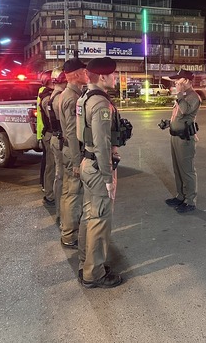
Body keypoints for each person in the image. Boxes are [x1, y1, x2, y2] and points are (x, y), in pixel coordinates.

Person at [76, 56, 131, 288]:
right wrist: (108, 177)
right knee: (99, 220)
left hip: (88, 163)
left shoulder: (85, 97)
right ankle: (94, 273)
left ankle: (86, 262)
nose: (115, 77)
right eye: (113, 74)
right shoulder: (100, 104)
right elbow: (101, 143)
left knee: (89, 216)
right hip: (99, 168)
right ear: (102, 76)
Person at [57, 57, 89, 249]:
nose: (87, 74)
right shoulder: (72, 98)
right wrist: (77, 162)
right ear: (77, 75)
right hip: (73, 151)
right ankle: (69, 235)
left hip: (69, 150)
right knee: (74, 195)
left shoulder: (69, 94)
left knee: (68, 192)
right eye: (84, 72)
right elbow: (71, 131)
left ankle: (66, 229)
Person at [164, 69, 201, 214]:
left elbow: (185, 110)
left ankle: (190, 201)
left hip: (185, 138)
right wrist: (169, 123)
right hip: (175, 136)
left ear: (186, 81)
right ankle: (180, 196)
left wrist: (180, 93)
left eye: (178, 81)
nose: (175, 84)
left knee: (187, 170)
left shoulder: (193, 96)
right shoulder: (184, 96)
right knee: (177, 169)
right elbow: (178, 116)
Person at [46, 67, 67, 226]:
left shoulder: (50, 96)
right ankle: (61, 213)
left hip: (54, 138)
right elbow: (66, 125)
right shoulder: (59, 99)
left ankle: (61, 212)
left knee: (58, 176)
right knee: (61, 177)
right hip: (60, 140)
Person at [37, 70, 55, 207]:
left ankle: (48, 190)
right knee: (51, 166)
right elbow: (53, 119)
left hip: (45, 133)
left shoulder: (44, 94)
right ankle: (49, 194)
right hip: (49, 134)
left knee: (49, 165)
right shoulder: (47, 97)